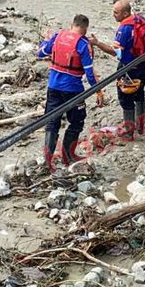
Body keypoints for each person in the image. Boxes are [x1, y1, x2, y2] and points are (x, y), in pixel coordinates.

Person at [36, 14, 104, 170]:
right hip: (73, 91)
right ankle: (68, 155)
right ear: (85, 28)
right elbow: (89, 73)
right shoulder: (83, 44)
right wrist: (98, 92)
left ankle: (48, 160)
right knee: (77, 121)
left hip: (53, 87)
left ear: (72, 24)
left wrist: (46, 40)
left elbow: (40, 52)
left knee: (52, 122)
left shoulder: (57, 37)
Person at [89, 0, 145, 140]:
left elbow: (115, 52)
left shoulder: (124, 29)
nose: (113, 15)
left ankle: (129, 131)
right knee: (139, 94)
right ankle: (141, 126)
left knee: (126, 98)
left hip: (128, 68)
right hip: (143, 65)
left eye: (116, 12)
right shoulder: (140, 19)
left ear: (125, 13)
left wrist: (97, 43)